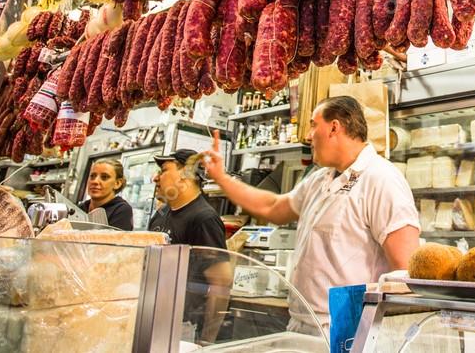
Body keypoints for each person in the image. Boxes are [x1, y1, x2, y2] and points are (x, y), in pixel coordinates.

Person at [202, 95, 420, 335]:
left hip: (348, 329)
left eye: (313, 124)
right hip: (300, 322)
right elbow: (273, 208)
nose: (308, 136)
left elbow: (405, 270)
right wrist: (222, 178)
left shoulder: (382, 179)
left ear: (334, 127)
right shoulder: (319, 179)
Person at [150, 150, 230, 344]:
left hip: (182, 327)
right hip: (152, 317)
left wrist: (207, 340)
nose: (155, 178)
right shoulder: (162, 214)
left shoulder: (204, 219)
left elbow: (221, 283)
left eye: (163, 170)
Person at [79, 159, 133, 231]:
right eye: (92, 176)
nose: (95, 181)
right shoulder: (80, 208)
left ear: (117, 183)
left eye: (104, 177)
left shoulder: (121, 210)